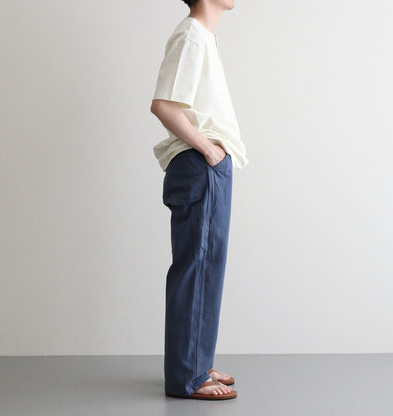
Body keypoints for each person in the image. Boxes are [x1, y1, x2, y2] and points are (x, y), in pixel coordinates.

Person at [150, 0, 249, 400]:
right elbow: (163, 105)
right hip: (199, 163)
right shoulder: (192, 35)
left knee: (208, 266)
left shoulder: (203, 37)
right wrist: (208, 150)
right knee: (197, 265)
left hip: (208, 165)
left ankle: (197, 364)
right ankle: (186, 377)